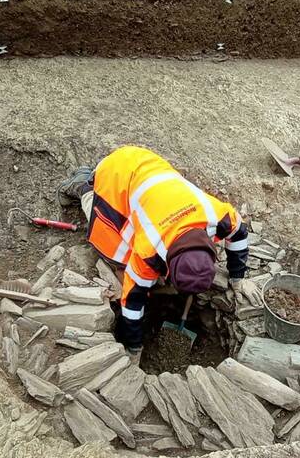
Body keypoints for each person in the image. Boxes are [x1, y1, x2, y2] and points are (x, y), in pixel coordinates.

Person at [59, 146, 260, 353]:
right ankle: (85, 186)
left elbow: (240, 233)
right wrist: (134, 345)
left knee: (146, 272)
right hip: (116, 175)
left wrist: (238, 278)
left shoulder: (219, 217)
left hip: (149, 167)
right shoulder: (147, 251)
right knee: (112, 244)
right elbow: (132, 301)